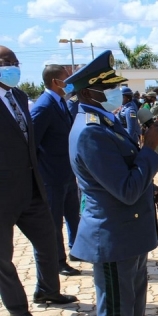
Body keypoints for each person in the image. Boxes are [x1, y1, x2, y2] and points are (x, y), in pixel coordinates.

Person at [65, 50, 158, 316]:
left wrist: (149, 185)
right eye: (109, 87)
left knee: (134, 301)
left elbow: (122, 172)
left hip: (130, 231)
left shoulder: (104, 122)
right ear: (92, 91)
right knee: (115, 309)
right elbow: (124, 189)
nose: (116, 93)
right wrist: (151, 148)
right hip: (112, 235)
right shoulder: (90, 132)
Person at [0, 45, 77, 316]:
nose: (12, 66)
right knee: (3, 258)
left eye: (14, 61)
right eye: (5, 62)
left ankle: (47, 290)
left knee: (47, 239)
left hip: (31, 188)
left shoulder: (19, 96)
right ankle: (18, 309)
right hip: (3, 194)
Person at [30, 64, 81, 276]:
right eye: (65, 78)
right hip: (51, 176)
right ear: (55, 82)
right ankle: (58, 261)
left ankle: (76, 249)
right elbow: (32, 143)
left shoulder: (59, 101)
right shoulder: (43, 106)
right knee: (54, 222)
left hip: (66, 173)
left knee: (72, 214)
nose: (68, 82)